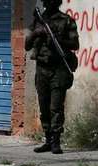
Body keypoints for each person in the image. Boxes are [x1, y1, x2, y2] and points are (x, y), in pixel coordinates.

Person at [25, 0, 79, 155]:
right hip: (42, 68)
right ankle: (48, 140)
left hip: (58, 69)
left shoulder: (66, 20)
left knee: (56, 107)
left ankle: (56, 141)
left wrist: (55, 38)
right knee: (44, 106)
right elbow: (27, 45)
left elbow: (75, 44)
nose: (49, 2)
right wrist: (37, 33)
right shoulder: (38, 20)